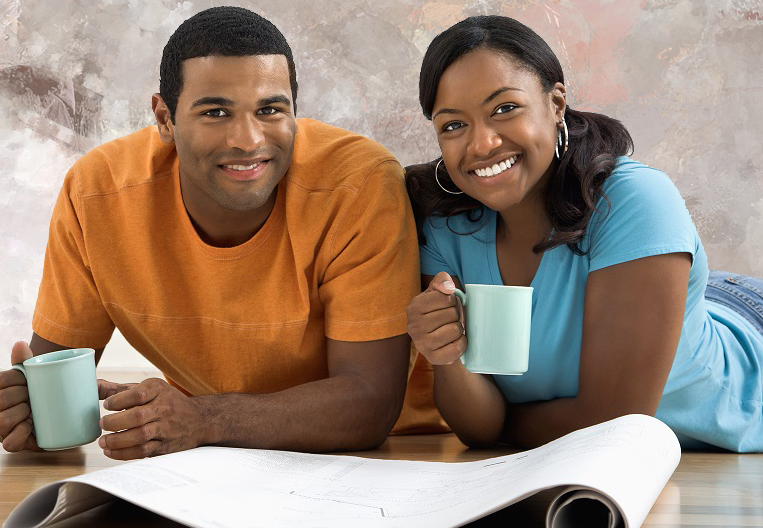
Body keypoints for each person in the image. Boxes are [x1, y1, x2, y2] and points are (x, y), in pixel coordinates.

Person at [0, 6, 423, 459]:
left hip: (414, 452)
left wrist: (204, 419)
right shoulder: (96, 194)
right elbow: (53, 381)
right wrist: (27, 411)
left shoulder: (357, 184)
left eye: (271, 110)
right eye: (216, 112)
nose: (248, 139)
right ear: (165, 118)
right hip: (222, 461)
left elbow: (371, 405)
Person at [405, 15, 763, 452]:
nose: (481, 145)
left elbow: (611, 425)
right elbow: (476, 431)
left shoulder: (635, 201)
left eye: (505, 109)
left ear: (556, 104)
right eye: (453, 125)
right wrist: (446, 356)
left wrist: (503, 429)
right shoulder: (446, 231)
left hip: (745, 351)